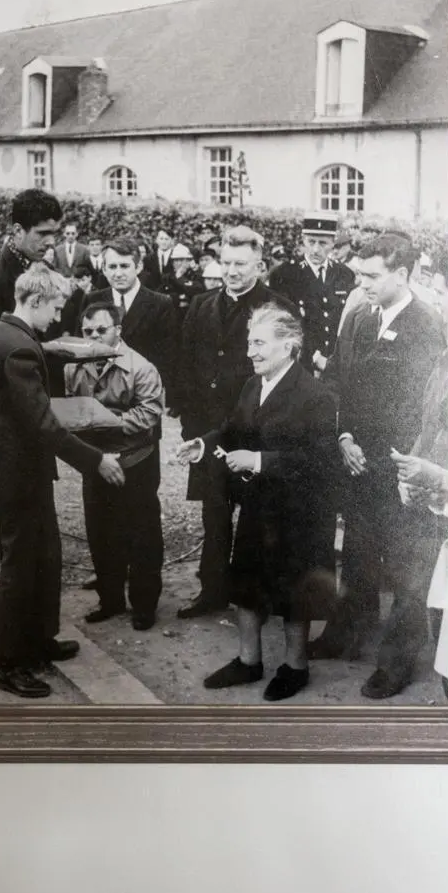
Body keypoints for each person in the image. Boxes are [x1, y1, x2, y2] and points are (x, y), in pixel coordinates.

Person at [0, 263, 125, 699]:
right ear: (35, 300)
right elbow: (43, 424)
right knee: (21, 567)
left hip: (23, 470)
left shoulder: (11, 333)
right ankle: (9, 663)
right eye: (56, 308)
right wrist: (95, 460)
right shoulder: (17, 349)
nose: (58, 317)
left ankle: (39, 639)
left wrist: (55, 348)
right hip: (17, 474)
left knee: (45, 557)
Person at [177, 306, 338, 700]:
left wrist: (260, 460)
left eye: (260, 343)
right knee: (247, 583)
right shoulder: (252, 385)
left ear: (289, 345)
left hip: (298, 511)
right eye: (250, 342)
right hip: (257, 504)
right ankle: (249, 661)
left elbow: (321, 460)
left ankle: (295, 667)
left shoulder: (315, 395)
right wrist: (203, 445)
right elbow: (232, 430)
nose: (251, 351)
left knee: (294, 591)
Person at [316, 233, 445, 699]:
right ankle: (347, 632)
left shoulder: (426, 325)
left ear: (402, 274)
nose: (362, 283)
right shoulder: (359, 316)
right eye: (359, 275)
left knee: (408, 563)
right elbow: (339, 381)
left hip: (404, 463)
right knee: (358, 550)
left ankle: (397, 662)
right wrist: (345, 437)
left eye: (371, 276)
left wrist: (412, 463)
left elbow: (428, 406)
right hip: (358, 457)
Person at [176, 226, 292, 617]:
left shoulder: (277, 307)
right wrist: (192, 426)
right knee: (214, 514)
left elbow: (287, 377)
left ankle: (259, 596)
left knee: (260, 517)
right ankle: (212, 591)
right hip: (210, 432)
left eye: (241, 264)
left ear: (260, 265)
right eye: (225, 262)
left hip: (255, 433)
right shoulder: (201, 305)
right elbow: (186, 366)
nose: (231, 271)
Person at [65, 302, 165, 630]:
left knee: (141, 536)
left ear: (118, 330)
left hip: (135, 462)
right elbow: (72, 409)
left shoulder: (141, 368)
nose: (94, 336)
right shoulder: (73, 366)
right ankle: (109, 599)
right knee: (100, 533)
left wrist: (102, 420)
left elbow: (149, 414)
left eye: (101, 330)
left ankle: (144, 605)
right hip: (96, 462)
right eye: (87, 331)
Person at [392, 256, 448, 700]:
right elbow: (428, 424)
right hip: (433, 503)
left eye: (444, 292)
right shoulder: (446, 358)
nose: (440, 301)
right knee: (422, 596)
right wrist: (411, 470)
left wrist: (441, 478)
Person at [0, 188, 62, 396]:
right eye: (42, 233)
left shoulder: (45, 270)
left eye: (53, 233)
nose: (51, 242)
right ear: (18, 231)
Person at [86, 237, 179, 405]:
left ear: (138, 267)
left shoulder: (160, 304)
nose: (118, 273)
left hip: (143, 396)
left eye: (124, 266)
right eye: (112, 267)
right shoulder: (91, 300)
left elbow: (169, 357)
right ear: (104, 269)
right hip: (99, 397)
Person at [268, 215, 355, 375]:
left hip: (333, 365)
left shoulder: (345, 274)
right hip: (299, 366)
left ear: (333, 243)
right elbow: (279, 325)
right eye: (311, 242)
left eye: (323, 243)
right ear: (303, 240)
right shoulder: (284, 275)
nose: (316, 249)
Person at [161, 243, 205, 322]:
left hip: (190, 315)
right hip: (171, 316)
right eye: (176, 260)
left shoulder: (195, 276)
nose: (179, 263)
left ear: (189, 262)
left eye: (182, 260)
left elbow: (197, 290)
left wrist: (180, 279)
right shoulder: (167, 277)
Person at [59, 266, 95, 335]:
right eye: (78, 281)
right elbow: (70, 314)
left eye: (83, 280)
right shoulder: (76, 293)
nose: (80, 284)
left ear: (90, 278)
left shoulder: (97, 293)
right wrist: (67, 330)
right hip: (76, 329)